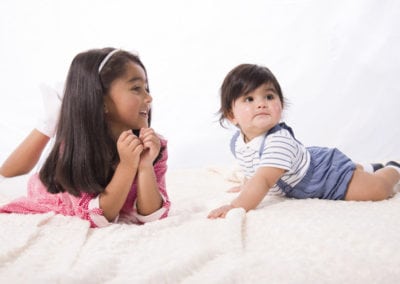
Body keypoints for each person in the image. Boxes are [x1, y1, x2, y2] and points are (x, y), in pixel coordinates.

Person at [0, 47, 170, 227]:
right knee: (3, 180)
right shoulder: (79, 148)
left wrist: (145, 166)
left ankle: (53, 119)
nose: (149, 97)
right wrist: (127, 166)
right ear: (101, 100)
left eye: (146, 88)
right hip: (44, 190)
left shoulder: (154, 146)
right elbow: (97, 217)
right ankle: (49, 121)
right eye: (136, 88)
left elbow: (154, 216)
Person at [208, 64, 400, 219]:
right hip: (303, 166)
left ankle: (393, 168)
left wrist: (236, 205)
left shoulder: (278, 142)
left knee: (378, 190)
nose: (261, 103)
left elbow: (264, 179)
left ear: (280, 106)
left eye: (269, 96)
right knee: (356, 175)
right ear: (232, 115)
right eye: (249, 99)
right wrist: (247, 185)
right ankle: (365, 168)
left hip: (324, 175)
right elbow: (255, 170)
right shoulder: (238, 143)